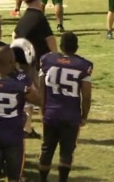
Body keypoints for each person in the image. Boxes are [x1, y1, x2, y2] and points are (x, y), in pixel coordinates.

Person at [0, 46, 40, 182]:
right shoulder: (20, 81)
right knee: (13, 178)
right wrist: (31, 92)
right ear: (11, 61)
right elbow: (38, 100)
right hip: (13, 136)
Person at [38, 32, 93, 182]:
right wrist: (84, 115)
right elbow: (86, 96)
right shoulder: (83, 65)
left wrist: (42, 108)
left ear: (61, 46)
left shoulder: (47, 60)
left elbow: (41, 88)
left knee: (47, 148)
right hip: (70, 115)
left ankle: (43, 179)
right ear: (76, 47)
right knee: (66, 152)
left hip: (51, 112)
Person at [13, 0, 57, 138]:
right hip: (35, 63)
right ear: (37, 0)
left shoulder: (23, 18)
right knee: (40, 97)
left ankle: (27, 127)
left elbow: (14, 36)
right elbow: (50, 39)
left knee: (27, 95)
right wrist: (55, 57)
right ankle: (41, 127)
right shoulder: (39, 18)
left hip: (21, 62)